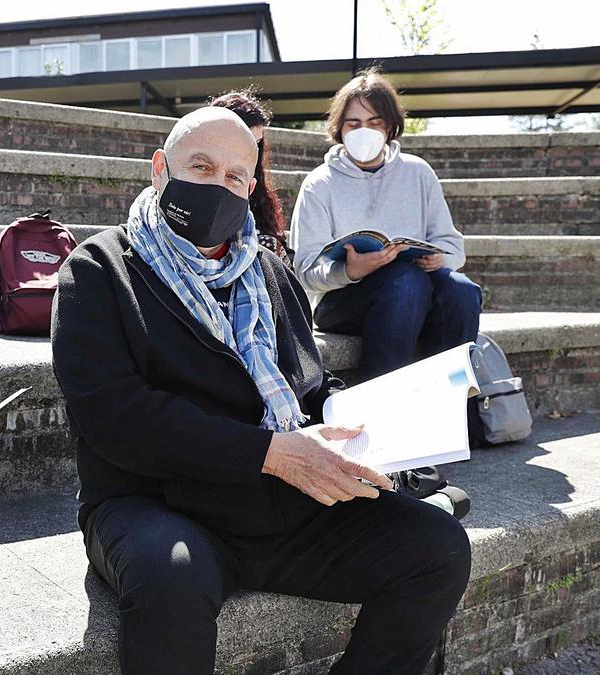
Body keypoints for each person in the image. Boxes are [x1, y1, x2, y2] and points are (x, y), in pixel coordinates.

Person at [51, 106, 471, 674]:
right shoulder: (99, 269)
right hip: (156, 502)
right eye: (200, 167)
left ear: (250, 188)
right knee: (170, 579)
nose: (218, 187)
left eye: (233, 177)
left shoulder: (271, 275)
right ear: (159, 169)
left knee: (437, 547)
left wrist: (376, 423)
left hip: (280, 505)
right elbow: (115, 416)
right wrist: (270, 455)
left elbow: (309, 386)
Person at [289, 69, 482, 380]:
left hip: (413, 288)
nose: (363, 131)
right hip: (340, 303)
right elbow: (305, 272)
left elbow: (453, 246)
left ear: (390, 126)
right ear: (339, 128)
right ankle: (380, 406)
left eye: (374, 122)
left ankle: (459, 405)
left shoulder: (418, 173)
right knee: (406, 280)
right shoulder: (319, 184)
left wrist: (440, 258)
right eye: (353, 124)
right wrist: (350, 271)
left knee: (461, 291)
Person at [210, 89, 293, 266]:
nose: (250, 151)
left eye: (256, 143)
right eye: (245, 141)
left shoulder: (254, 181)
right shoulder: (199, 181)